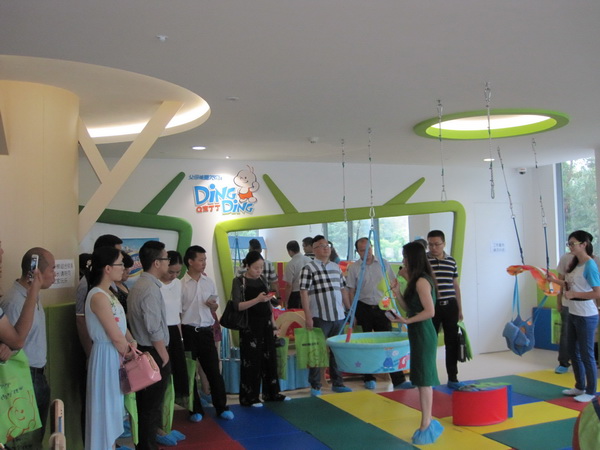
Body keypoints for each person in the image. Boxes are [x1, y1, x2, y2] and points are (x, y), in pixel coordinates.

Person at [0, 248, 55, 448]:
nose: (55, 275)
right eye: (52, 269)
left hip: (38, 375)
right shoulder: (15, 301)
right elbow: (13, 343)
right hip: (23, 378)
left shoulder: (32, 296)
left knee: (35, 439)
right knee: (25, 441)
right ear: (36, 271)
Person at [389, 241, 443, 445]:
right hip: (416, 331)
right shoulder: (415, 281)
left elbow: (430, 312)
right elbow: (408, 308)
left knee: (424, 380)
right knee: (421, 379)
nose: (403, 261)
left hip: (423, 332)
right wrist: (397, 293)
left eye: (405, 257)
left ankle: (426, 423)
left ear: (412, 258)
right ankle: (426, 421)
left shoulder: (422, 281)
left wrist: (407, 321)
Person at [85, 246, 137, 450]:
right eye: (120, 264)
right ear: (107, 268)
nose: (123, 268)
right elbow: (114, 335)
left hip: (116, 354)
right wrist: (130, 352)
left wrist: (131, 342)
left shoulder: (110, 293)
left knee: (113, 407)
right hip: (106, 355)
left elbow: (121, 328)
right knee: (105, 410)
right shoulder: (97, 296)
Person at [346, 237, 412, 390]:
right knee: (365, 344)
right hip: (363, 307)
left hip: (382, 308)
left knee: (388, 343)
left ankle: (398, 380)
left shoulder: (384, 263)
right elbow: (351, 291)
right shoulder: (354, 268)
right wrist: (352, 312)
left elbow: (393, 283)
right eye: (362, 250)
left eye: (368, 249)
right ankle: (368, 377)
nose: (367, 252)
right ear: (357, 252)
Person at [127, 240, 172, 450]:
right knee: (151, 408)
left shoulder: (140, 285)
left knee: (146, 407)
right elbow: (153, 328)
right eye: (166, 258)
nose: (168, 262)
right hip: (152, 353)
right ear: (156, 263)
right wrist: (164, 356)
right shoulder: (149, 289)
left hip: (144, 351)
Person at [181, 245, 234, 421]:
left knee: (213, 371)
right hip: (188, 332)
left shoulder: (208, 282)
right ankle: (195, 410)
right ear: (190, 261)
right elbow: (178, 312)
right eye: (201, 260)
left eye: (205, 260)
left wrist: (214, 306)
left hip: (206, 331)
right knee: (190, 374)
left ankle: (222, 407)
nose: (204, 263)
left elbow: (215, 305)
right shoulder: (180, 285)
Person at [232, 251, 290, 406]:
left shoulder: (262, 279)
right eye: (256, 268)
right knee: (252, 361)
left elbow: (268, 304)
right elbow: (237, 306)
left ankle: (272, 393)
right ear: (247, 266)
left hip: (266, 324)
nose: (259, 271)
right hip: (250, 326)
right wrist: (257, 299)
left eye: (261, 267)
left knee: (270, 358)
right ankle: (250, 397)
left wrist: (273, 324)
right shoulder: (239, 281)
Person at [547, 230, 600, 403]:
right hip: (573, 312)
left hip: (586, 314)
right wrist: (553, 281)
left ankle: (591, 391)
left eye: (573, 243)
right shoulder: (574, 263)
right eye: (568, 244)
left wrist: (574, 294)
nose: (570, 246)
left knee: (586, 353)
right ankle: (579, 386)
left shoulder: (590, 265)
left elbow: (597, 292)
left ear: (584, 244)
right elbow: (569, 283)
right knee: (572, 350)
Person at [300, 234, 352, 396]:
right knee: (317, 351)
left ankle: (338, 382)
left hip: (338, 316)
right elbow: (303, 293)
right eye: (322, 246)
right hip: (319, 316)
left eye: (327, 245)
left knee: (337, 351)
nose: (326, 248)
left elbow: (343, 290)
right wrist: (308, 316)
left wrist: (349, 310)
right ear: (314, 249)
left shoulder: (336, 267)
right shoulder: (308, 268)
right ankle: (315, 385)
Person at [426, 230, 464, 389]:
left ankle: (453, 377)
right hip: (431, 306)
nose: (433, 248)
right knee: (429, 342)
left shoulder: (451, 261)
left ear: (444, 244)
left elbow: (455, 285)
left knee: (452, 342)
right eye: (430, 244)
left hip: (450, 305)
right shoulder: (424, 260)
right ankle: (429, 377)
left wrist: (460, 308)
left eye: (437, 244)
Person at [282, 240, 311, 309]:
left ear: (290, 251)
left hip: (296, 295)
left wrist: (286, 301)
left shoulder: (290, 264)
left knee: (296, 315)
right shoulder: (310, 260)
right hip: (310, 292)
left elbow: (289, 285)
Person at [114, 250, 134, 314]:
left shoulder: (124, 285)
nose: (128, 272)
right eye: (125, 269)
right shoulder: (112, 288)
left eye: (128, 269)